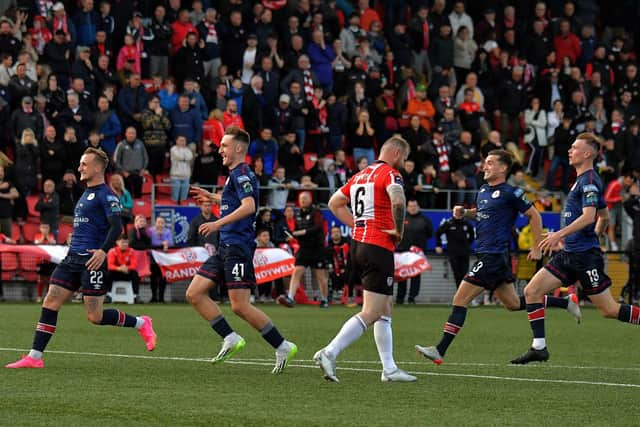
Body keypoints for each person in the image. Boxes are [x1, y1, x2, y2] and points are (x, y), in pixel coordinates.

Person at [416, 150, 581, 365]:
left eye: (491, 163)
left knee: (460, 299)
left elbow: (535, 215)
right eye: (485, 163)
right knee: (512, 304)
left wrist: (536, 248)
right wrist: (466, 213)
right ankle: (565, 303)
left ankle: (440, 350)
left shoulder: (512, 192)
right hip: (491, 255)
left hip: (494, 256)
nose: (485, 166)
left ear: (503, 168)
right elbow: (483, 213)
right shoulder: (484, 190)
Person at [6, 148, 157, 369]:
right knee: (50, 301)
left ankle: (142, 323)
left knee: (95, 317)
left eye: (84, 164)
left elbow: (117, 226)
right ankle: (34, 357)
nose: (79, 168)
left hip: (92, 261)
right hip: (72, 258)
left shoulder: (107, 195)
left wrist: (103, 250)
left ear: (97, 167)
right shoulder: (86, 193)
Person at [510, 134, 638, 364]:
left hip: (585, 258)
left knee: (608, 310)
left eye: (575, 147)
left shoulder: (589, 180)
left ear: (587, 153)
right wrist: (588, 234)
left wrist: (561, 234)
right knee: (532, 292)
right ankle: (539, 347)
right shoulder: (581, 180)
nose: (570, 151)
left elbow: (590, 216)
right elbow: (605, 216)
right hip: (569, 254)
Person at [186, 127, 297, 374]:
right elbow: (233, 201)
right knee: (194, 293)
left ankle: (282, 345)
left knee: (240, 306)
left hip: (238, 247)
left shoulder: (243, 173)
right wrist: (213, 198)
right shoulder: (234, 175)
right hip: (225, 247)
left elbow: (249, 206)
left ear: (238, 148)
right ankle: (230, 338)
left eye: (224, 146)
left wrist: (217, 222)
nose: (220, 150)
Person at [313, 136, 417, 383]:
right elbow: (398, 200)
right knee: (371, 311)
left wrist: (357, 224)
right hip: (378, 246)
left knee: (384, 307)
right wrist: (399, 230)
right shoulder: (390, 174)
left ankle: (389, 369)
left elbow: (334, 203)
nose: (403, 162)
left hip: (358, 245)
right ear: (394, 154)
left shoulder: (360, 175)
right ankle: (330, 352)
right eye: (403, 157)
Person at [276, 191, 330, 308]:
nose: (303, 201)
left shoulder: (316, 212)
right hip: (304, 248)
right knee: (296, 272)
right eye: (301, 199)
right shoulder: (298, 214)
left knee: (320, 275)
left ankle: (324, 299)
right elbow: (295, 230)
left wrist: (302, 232)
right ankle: (290, 297)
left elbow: (317, 227)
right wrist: (293, 235)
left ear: (310, 200)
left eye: (305, 198)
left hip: (317, 248)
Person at [395, 200, 433, 304]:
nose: (412, 208)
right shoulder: (401, 219)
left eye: (414, 206)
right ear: (407, 207)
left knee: (416, 276)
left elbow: (430, 234)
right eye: (410, 206)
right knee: (402, 276)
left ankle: (412, 297)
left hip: (417, 253)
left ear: (418, 207)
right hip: (403, 252)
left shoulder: (425, 220)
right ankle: (400, 298)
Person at [435, 209, 475, 289]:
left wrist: (467, 245)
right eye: (455, 212)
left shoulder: (466, 224)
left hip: (464, 253)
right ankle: (459, 293)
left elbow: (472, 235)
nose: (457, 214)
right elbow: (438, 233)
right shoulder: (448, 223)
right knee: (457, 274)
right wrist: (438, 245)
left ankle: (463, 293)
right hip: (453, 253)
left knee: (465, 273)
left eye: (459, 212)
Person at [105, 235, 140, 303]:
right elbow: (110, 265)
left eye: (126, 242)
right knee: (109, 273)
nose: (125, 244)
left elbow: (134, 265)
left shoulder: (132, 251)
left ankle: (136, 296)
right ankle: (108, 295)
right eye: (123, 242)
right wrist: (119, 268)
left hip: (127, 273)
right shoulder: (112, 251)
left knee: (135, 273)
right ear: (117, 242)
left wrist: (126, 268)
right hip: (116, 274)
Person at [148, 216, 172, 303]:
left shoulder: (168, 231)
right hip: (153, 259)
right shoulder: (150, 231)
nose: (160, 224)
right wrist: (162, 243)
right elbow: (150, 243)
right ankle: (154, 297)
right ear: (155, 223)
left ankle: (161, 298)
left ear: (164, 224)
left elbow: (171, 242)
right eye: (159, 222)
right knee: (153, 278)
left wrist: (166, 243)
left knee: (163, 278)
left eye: (162, 222)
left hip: (163, 259)